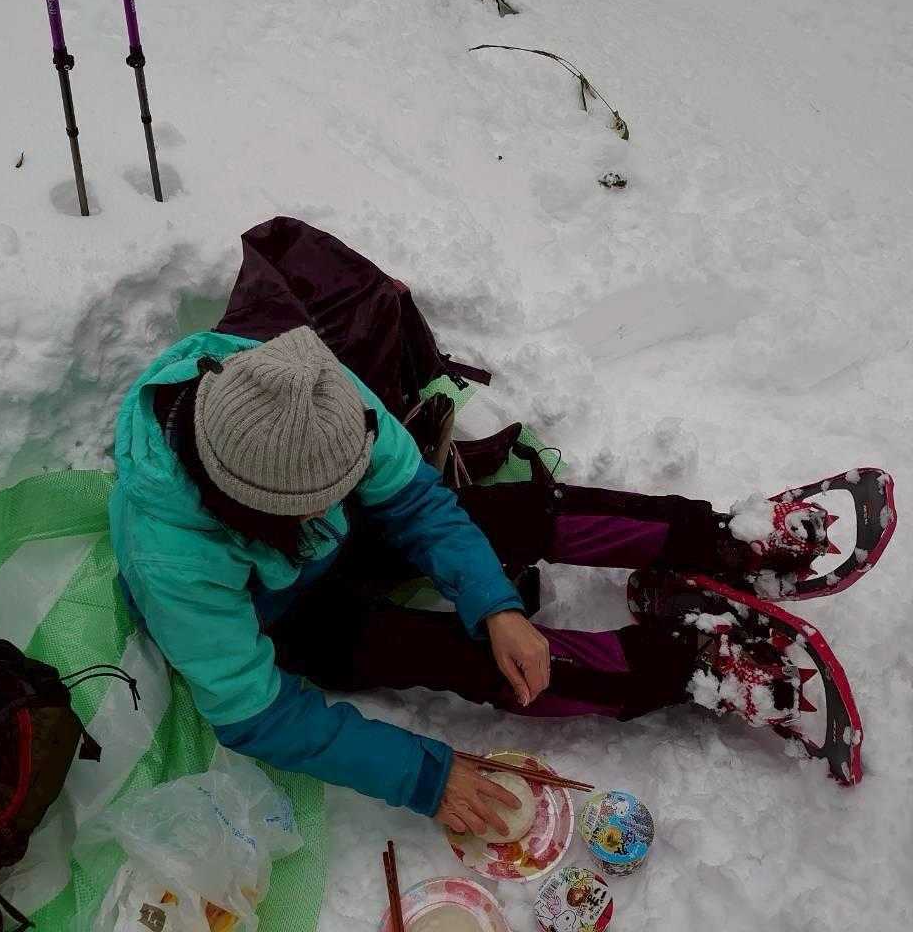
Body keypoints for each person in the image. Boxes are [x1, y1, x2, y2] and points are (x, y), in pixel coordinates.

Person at [110, 326, 831, 837]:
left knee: (504, 514)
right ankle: (692, 666)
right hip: (282, 613)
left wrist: (495, 604)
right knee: (442, 651)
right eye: (319, 498)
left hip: (323, 543)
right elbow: (257, 714)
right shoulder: (174, 559)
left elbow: (415, 502)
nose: (342, 497)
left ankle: (720, 537)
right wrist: (421, 776)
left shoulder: (308, 390)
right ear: (253, 505)